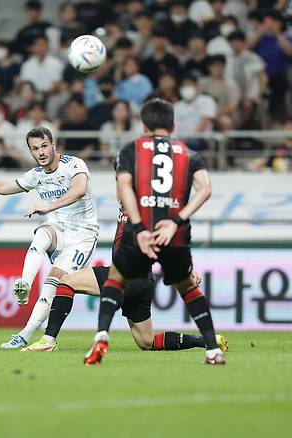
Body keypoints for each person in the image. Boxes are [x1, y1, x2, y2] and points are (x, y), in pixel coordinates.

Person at [83, 98, 225, 366]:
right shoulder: (187, 153)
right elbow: (205, 189)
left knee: (115, 280)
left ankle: (101, 335)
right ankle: (212, 349)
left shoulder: (132, 150)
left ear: (144, 124)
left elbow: (124, 189)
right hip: (173, 230)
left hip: (141, 228)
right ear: (173, 124)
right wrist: (177, 220)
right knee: (188, 288)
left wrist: (138, 228)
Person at [25, 186, 227, 353]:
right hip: (143, 283)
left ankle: (48, 339)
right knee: (146, 342)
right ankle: (205, 341)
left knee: (67, 281)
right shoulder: (129, 202)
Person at [0, 127, 99, 349]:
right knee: (42, 233)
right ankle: (24, 282)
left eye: (44, 146)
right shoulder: (36, 175)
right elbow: (3, 187)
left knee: (53, 283)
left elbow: (79, 190)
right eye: (35, 149)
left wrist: (48, 206)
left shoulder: (74, 164)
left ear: (53, 144)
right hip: (58, 230)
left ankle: (25, 335)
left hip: (82, 235)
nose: (41, 152)